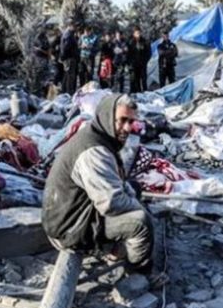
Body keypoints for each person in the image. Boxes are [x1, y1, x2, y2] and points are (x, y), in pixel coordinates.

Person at [42, 94, 154, 273]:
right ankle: (137, 272)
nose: (127, 128)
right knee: (141, 223)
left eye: (131, 121)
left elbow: (117, 184)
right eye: (122, 120)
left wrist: (131, 196)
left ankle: (115, 248)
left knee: (134, 188)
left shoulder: (99, 135)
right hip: (69, 228)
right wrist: (139, 208)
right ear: (107, 117)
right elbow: (111, 203)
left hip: (77, 210)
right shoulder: (94, 152)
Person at [127, 27, 151, 93]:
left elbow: (148, 53)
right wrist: (130, 62)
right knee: (136, 79)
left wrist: (145, 61)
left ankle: (145, 92)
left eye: (139, 33)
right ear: (134, 34)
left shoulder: (144, 41)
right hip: (134, 64)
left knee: (144, 79)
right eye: (137, 33)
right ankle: (138, 92)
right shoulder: (130, 42)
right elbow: (128, 54)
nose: (138, 34)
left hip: (142, 64)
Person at [59, 22, 79, 95]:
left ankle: (64, 90)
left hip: (69, 57)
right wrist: (63, 56)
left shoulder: (70, 34)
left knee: (67, 74)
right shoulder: (68, 35)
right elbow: (65, 47)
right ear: (70, 26)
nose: (75, 28)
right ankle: (68, 92)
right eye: (74, 26)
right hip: (69, 58)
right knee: (70, 75)